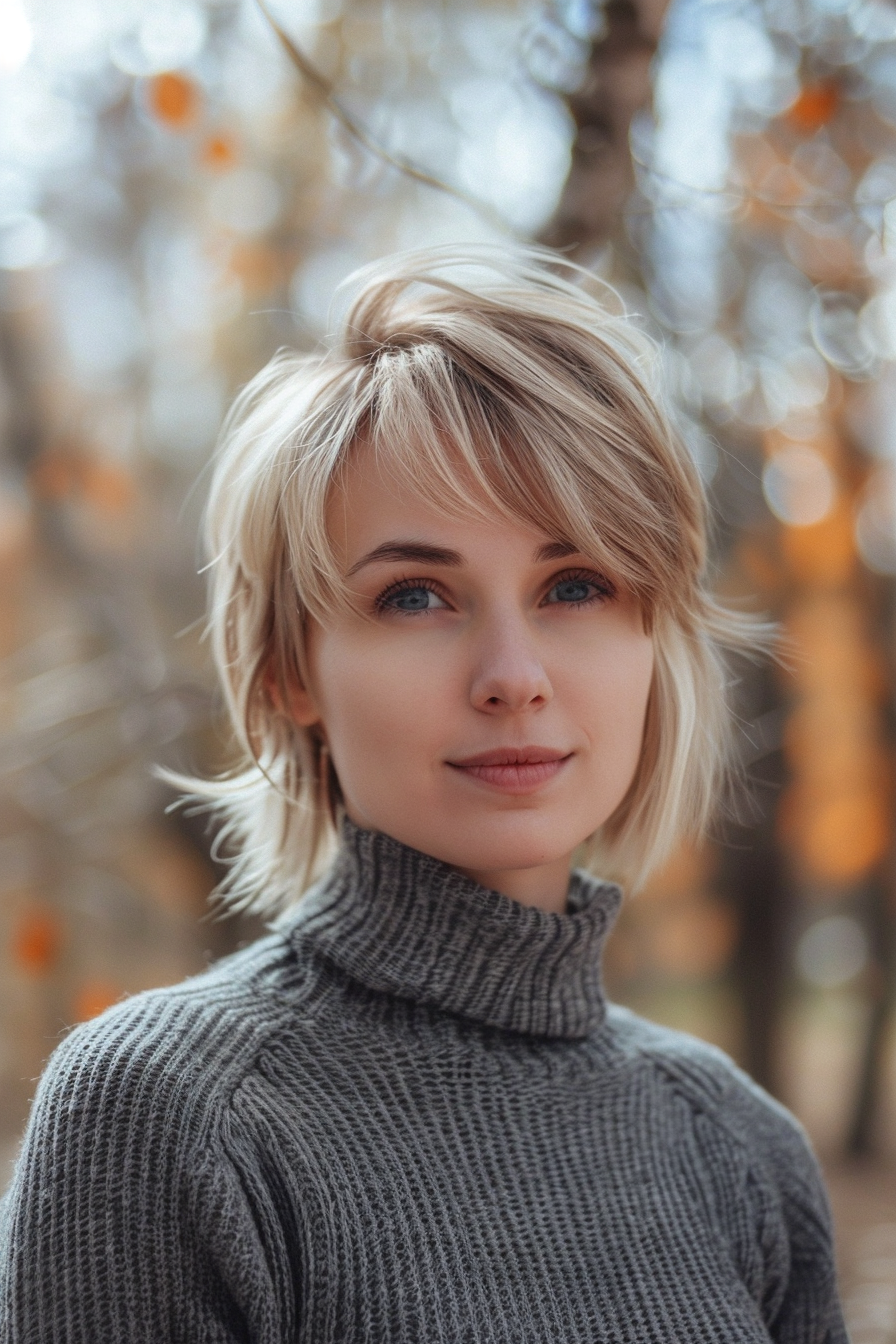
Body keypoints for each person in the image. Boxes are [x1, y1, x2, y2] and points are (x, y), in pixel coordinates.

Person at [0, 246, 846, 1343]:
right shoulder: (168, 1115)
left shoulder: (739, 1147)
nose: (513, 675)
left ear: (652, 635)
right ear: (289, 674)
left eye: (575, 584)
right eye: (414, 596)